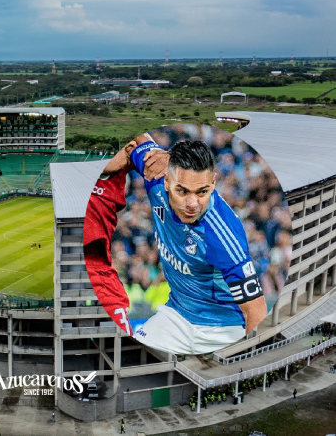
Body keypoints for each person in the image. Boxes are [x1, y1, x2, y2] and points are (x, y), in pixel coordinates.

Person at [92, 136, 268, 355]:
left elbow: (256, 310)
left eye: (202, 191)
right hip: (176, 317)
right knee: (128, 358)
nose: (192, 204)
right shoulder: (155, 173)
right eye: (182, 191)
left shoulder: (223, 236)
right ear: (167, 181)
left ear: (213, 182)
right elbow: (137, 139)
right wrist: (109, 166)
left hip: (222, 330)